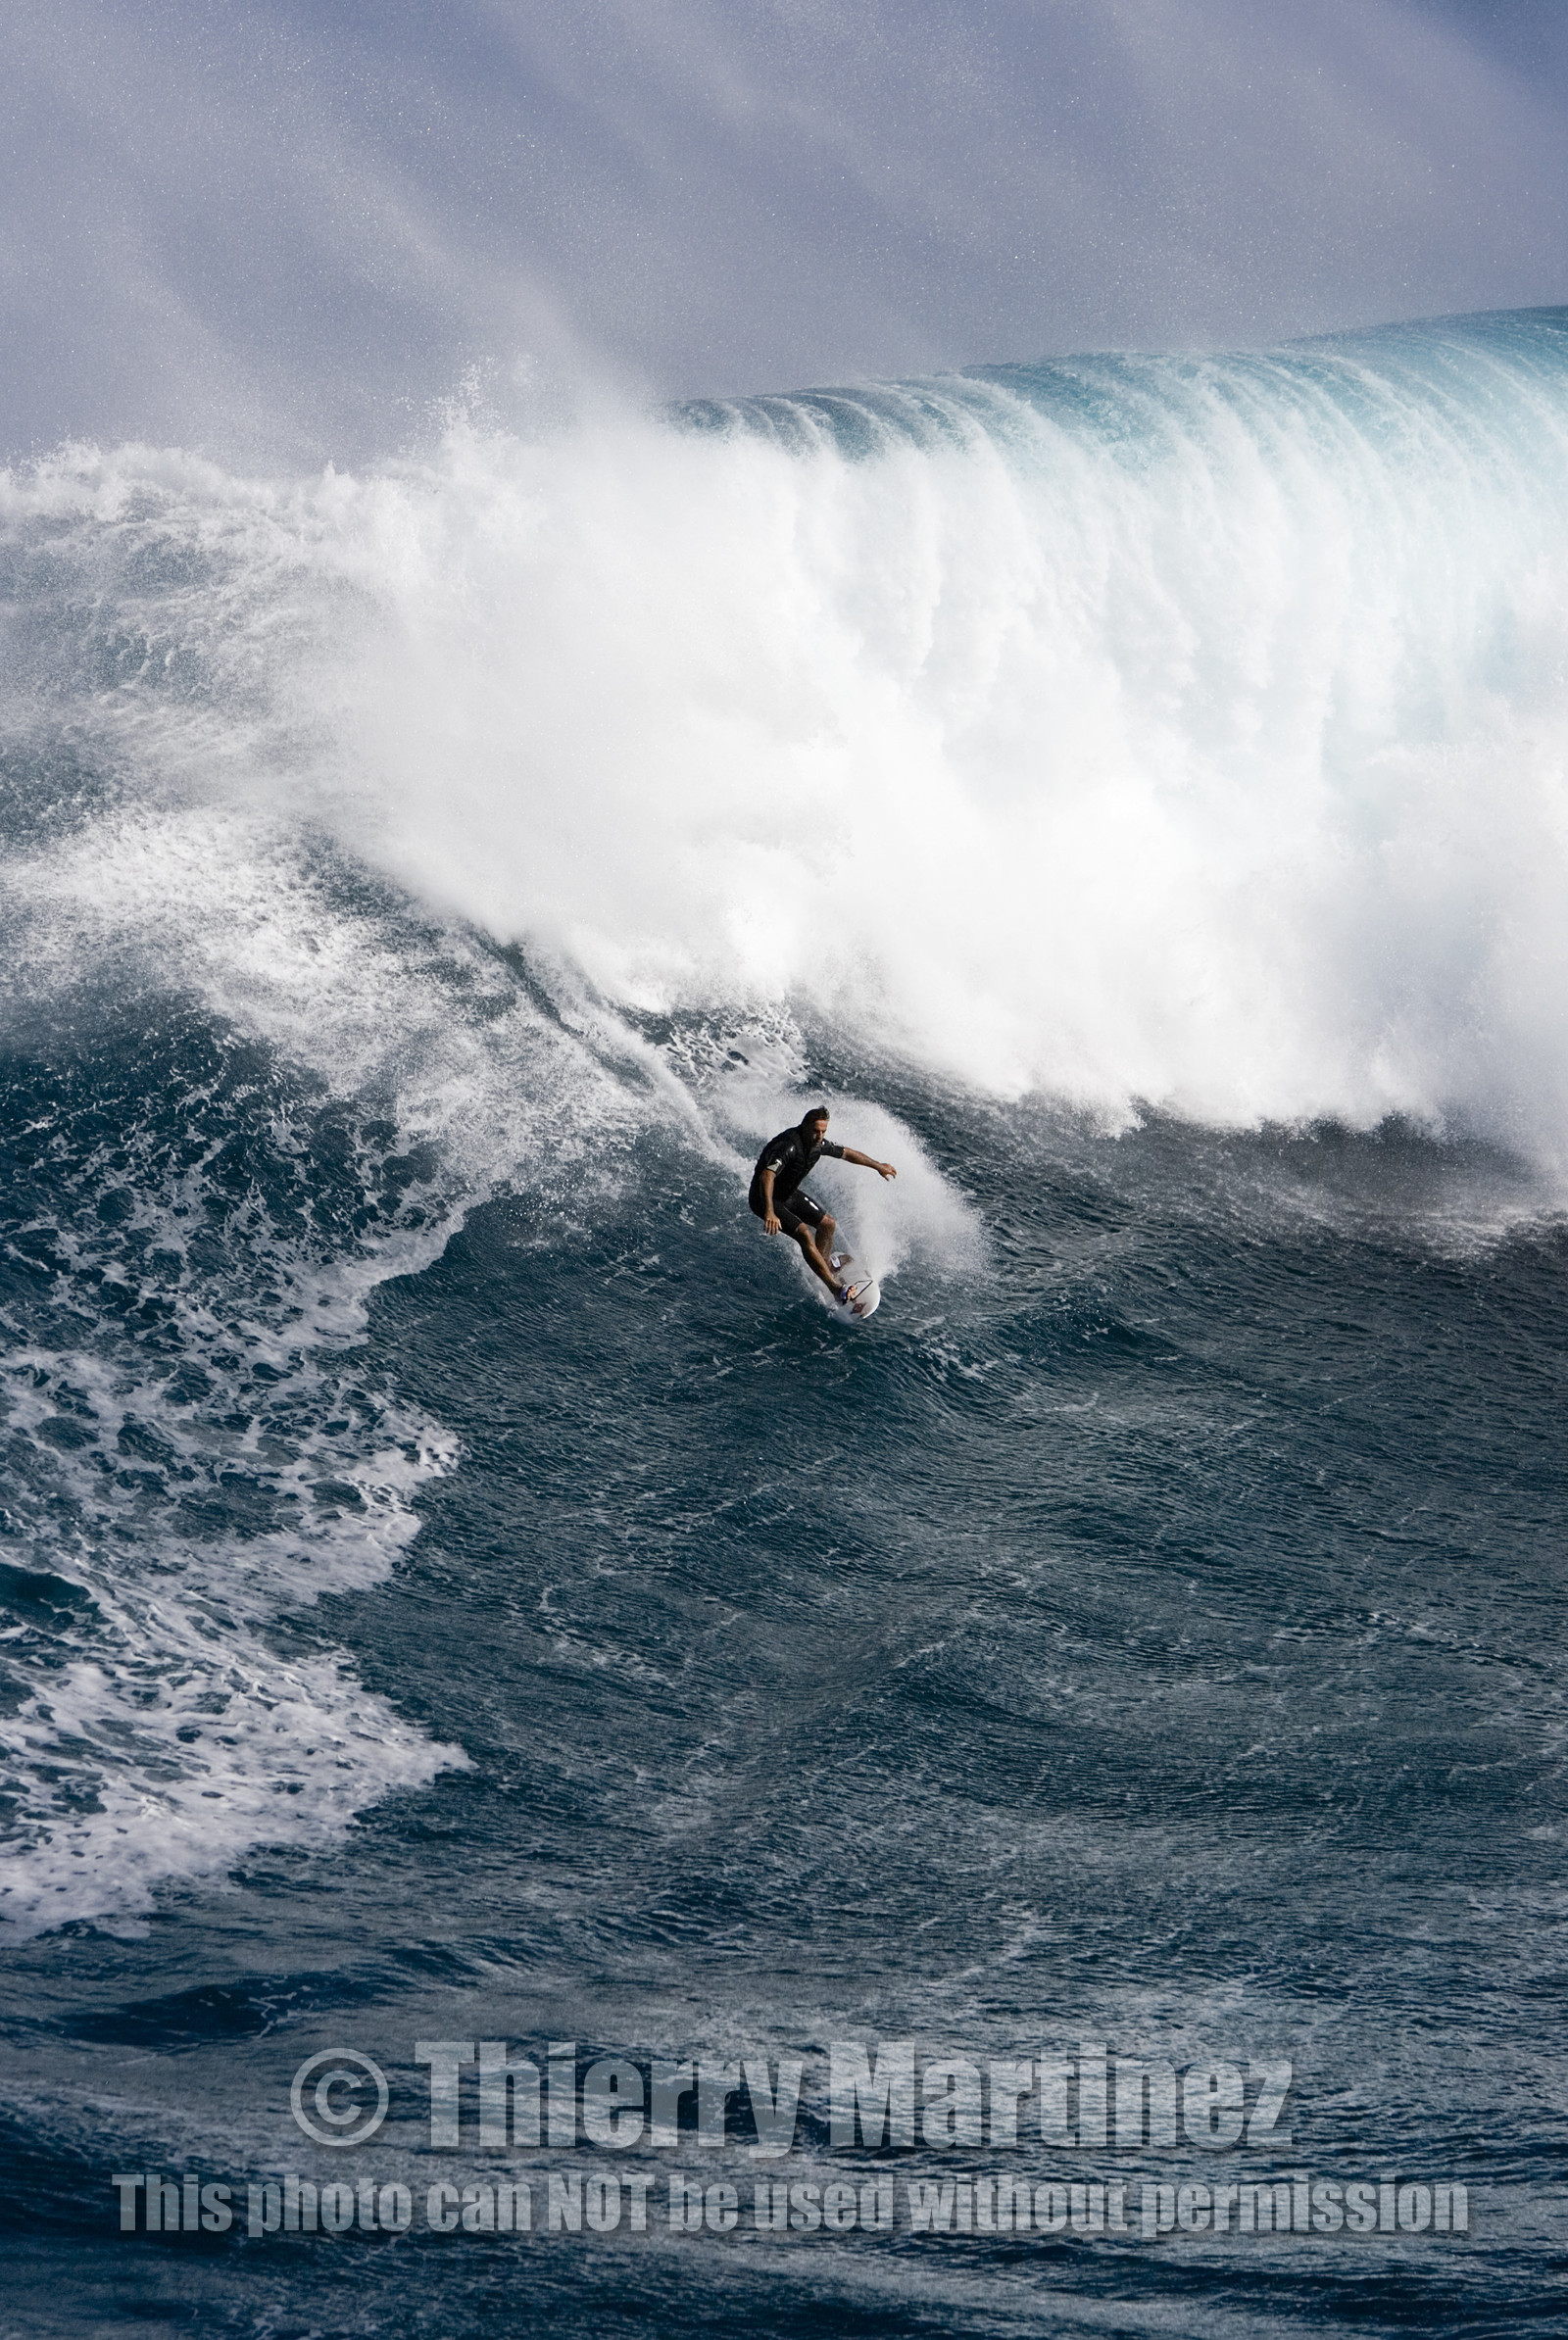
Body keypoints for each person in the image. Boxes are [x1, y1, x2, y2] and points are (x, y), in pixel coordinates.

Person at [749, 1106, 897, 1305]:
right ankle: (835, 1289)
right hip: (763, 1198)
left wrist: (878, 1166)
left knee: (828, 1223)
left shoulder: (817, 1144)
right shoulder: (788, 1145)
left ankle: (824, 1266)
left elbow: (847, 1153)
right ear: (805, 1127)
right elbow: (768, 1176)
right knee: (804, 1233)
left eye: (823, 1131)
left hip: (786, 1195)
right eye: (816, 1131)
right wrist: (769, 1212)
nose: (820, 1136)